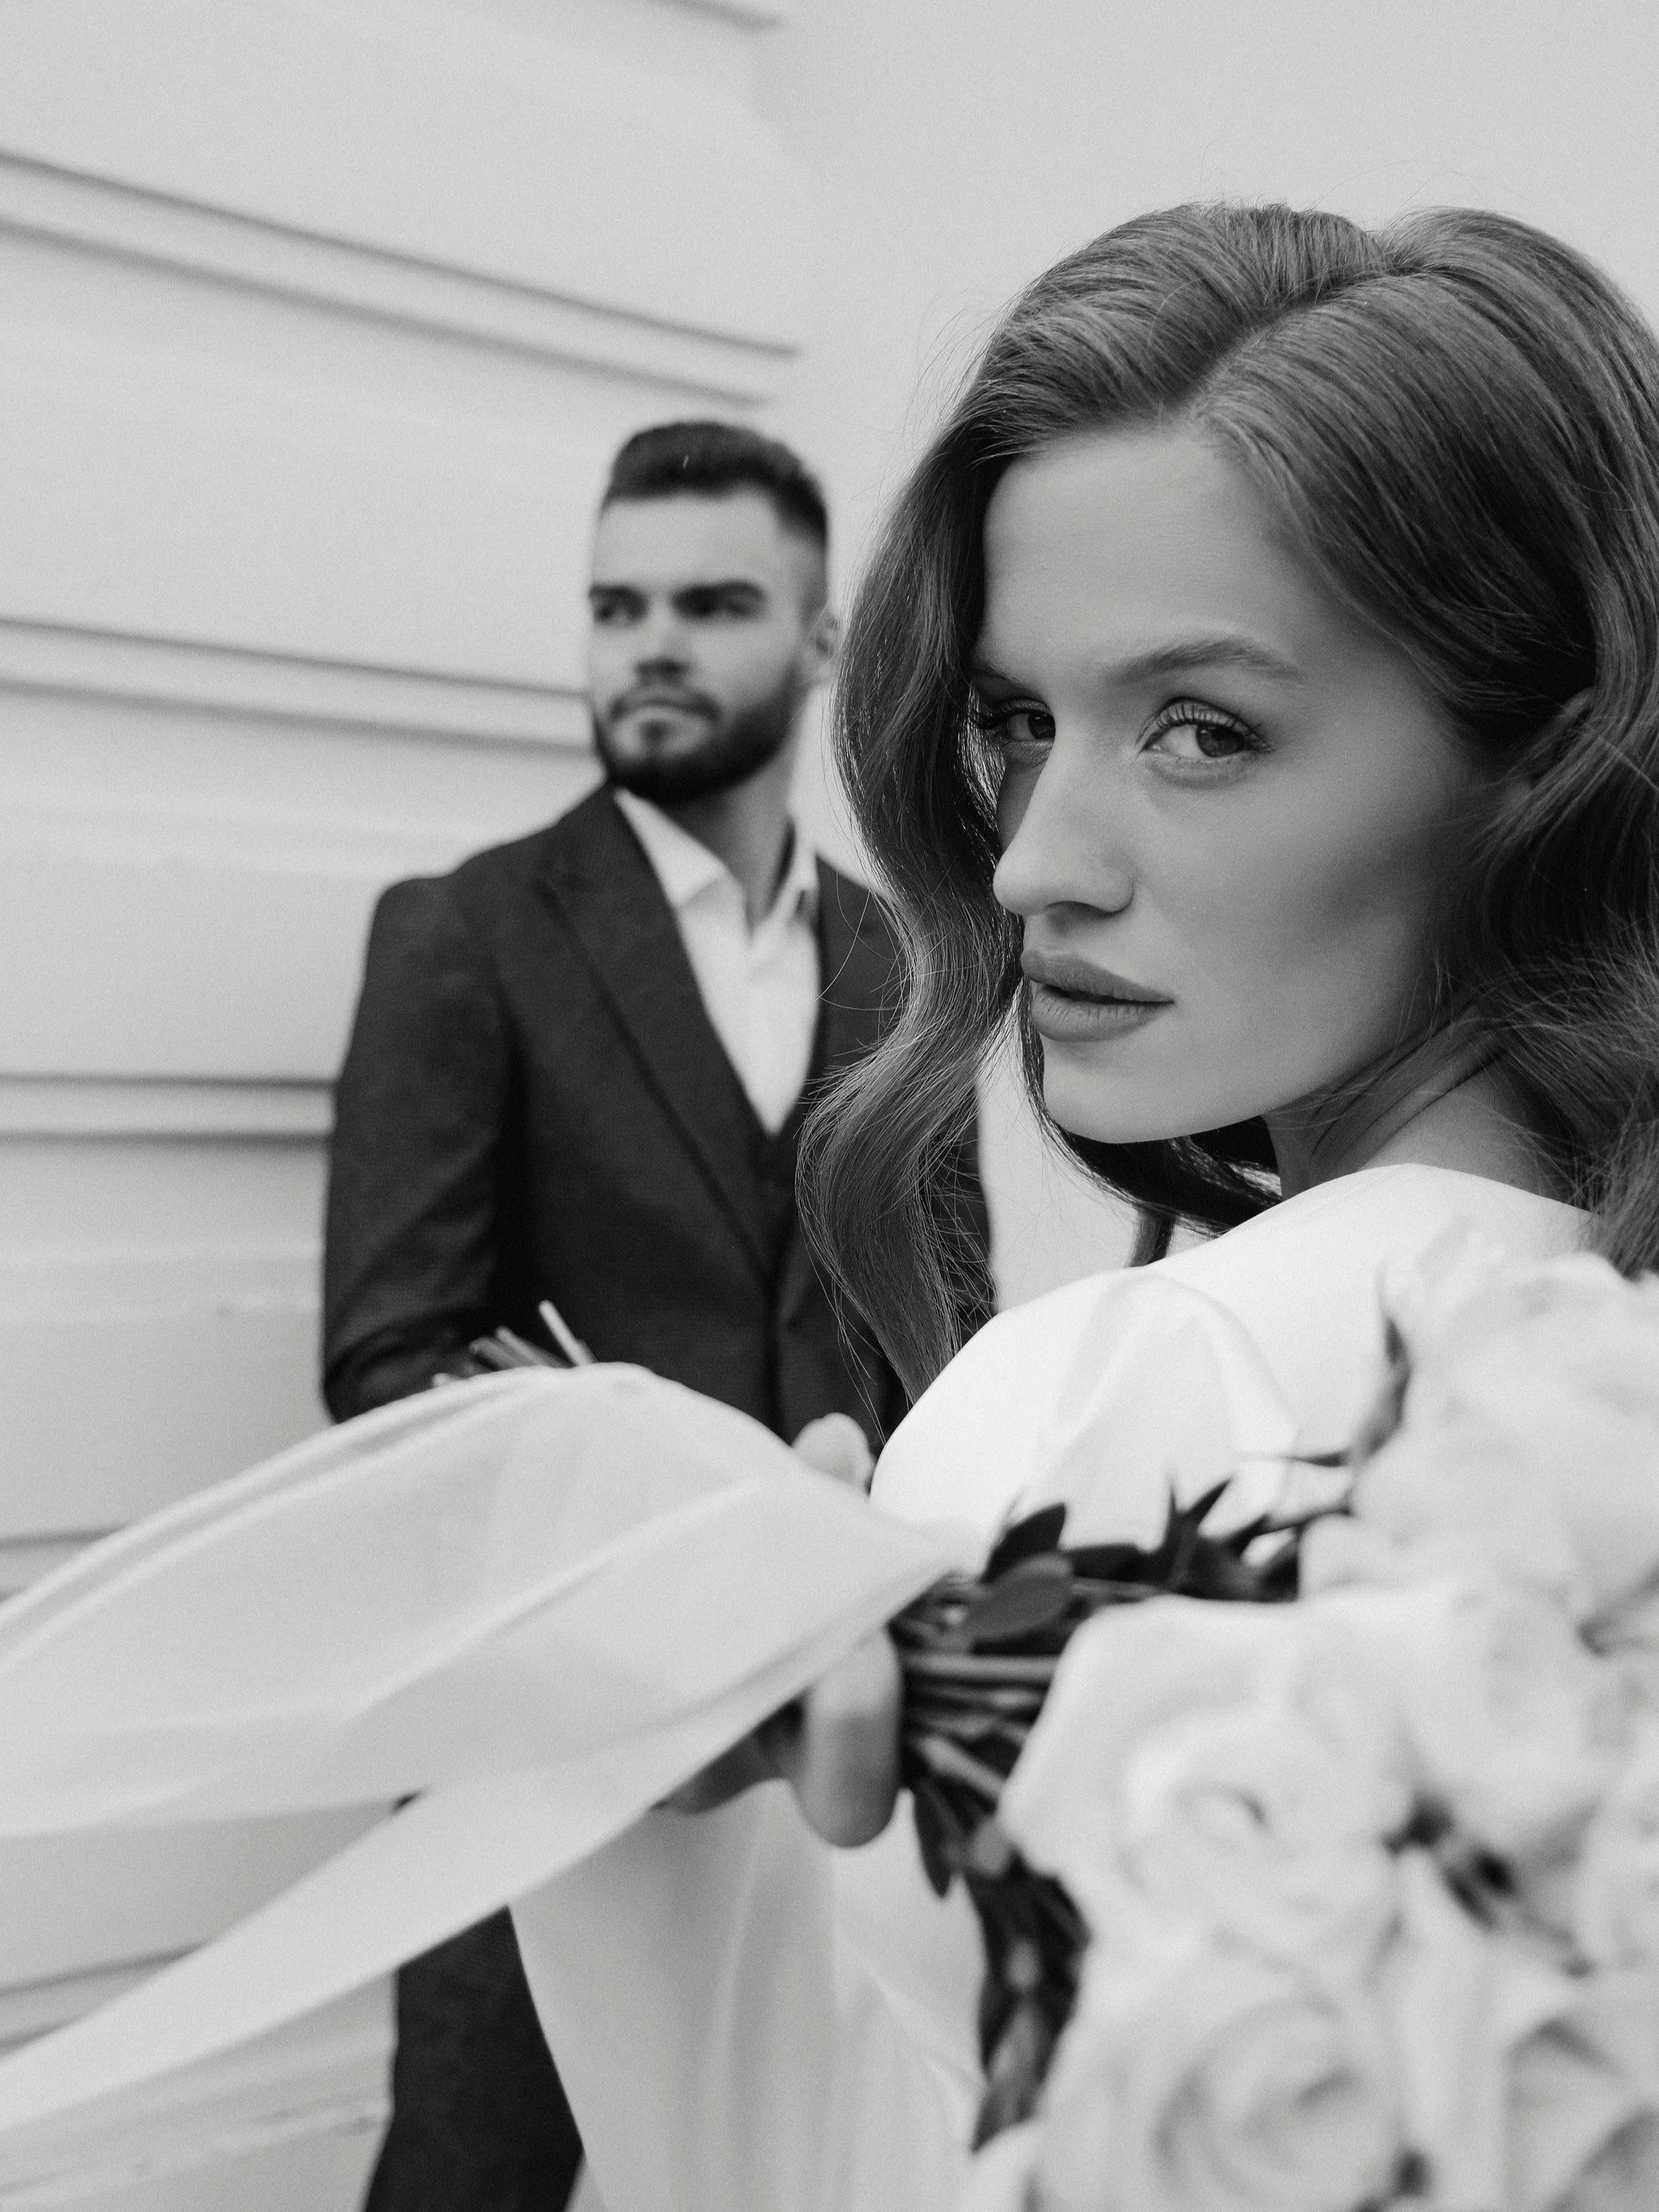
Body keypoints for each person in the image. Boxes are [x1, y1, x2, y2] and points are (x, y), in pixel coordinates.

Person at [510, 203, 1659, 2210]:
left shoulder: (1120, 1398)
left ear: (1542, 757)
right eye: (1017, 721)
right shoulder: (1597, 1374)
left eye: (1200, 731)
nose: (1036, 858)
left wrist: (646, 1788)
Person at [323, 420, 991, 2212]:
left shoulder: (900, 963)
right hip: (545, 1742)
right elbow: (392, 1365)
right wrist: (673, 1528)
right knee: (473, 2180)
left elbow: (944, 1342)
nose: (651, 645)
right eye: (616, 605)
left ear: (825, 638)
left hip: (845, 1750)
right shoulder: (467, 938)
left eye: (709, 602)